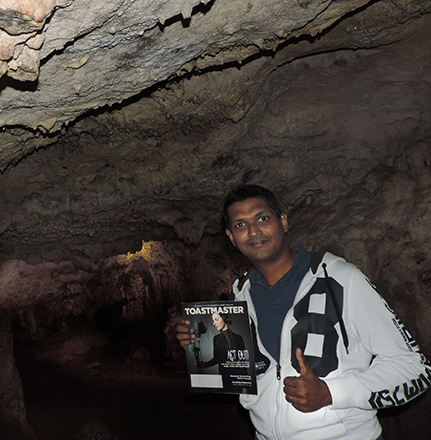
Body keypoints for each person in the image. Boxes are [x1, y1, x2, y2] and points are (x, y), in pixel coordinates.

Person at [176, 184, 430, 440]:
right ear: (231, 237)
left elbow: (413, 367)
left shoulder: (340, 279)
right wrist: (201, 343)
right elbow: (248, 371)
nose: (253, 231)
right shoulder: (241, 292)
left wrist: (331, 392)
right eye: (240, 225)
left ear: (283, 222)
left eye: (262, 218)